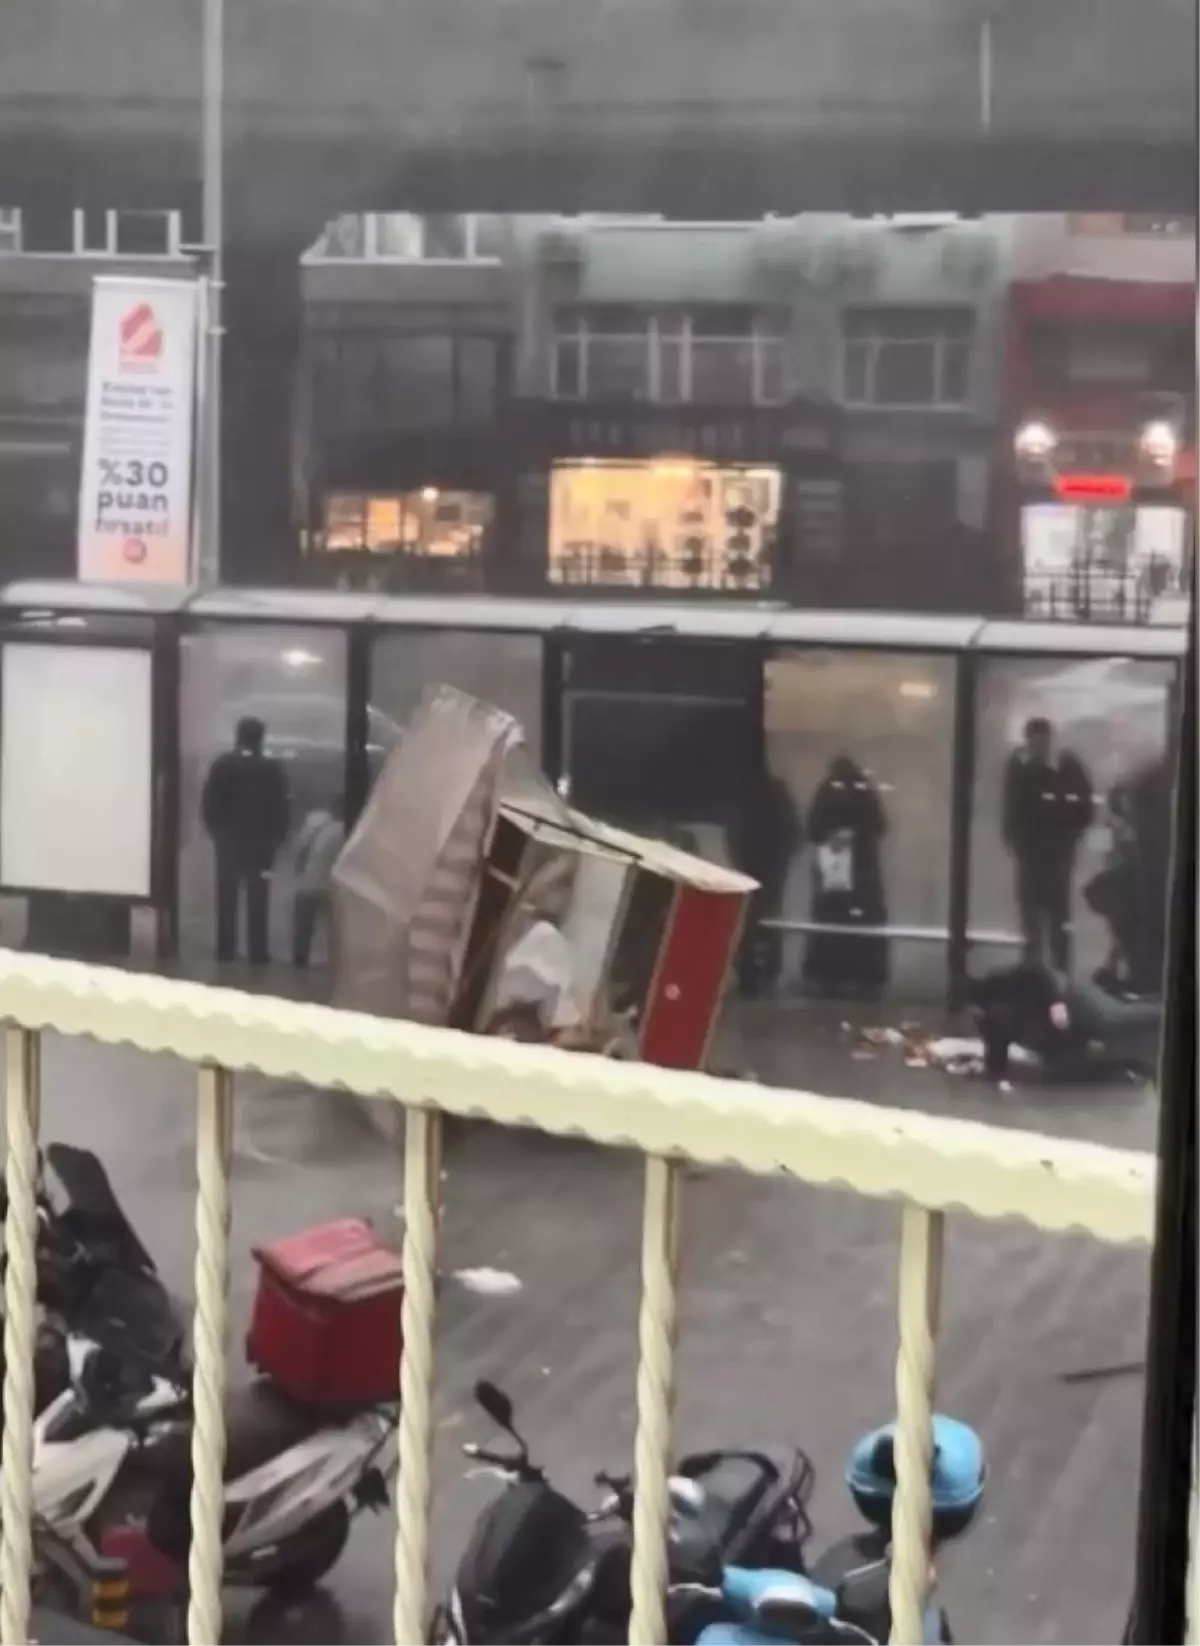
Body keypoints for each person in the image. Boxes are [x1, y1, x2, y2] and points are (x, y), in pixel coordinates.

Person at [1001, 717, 1094, 973]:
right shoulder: (1021, 766)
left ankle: (1055, 969)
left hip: (1052, 854)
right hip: (1034, 853)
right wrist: (1014, 840)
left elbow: (1083, 806)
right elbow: (1010, 806)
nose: (1038, 745)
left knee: (1055, 917)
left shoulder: (1064, 765)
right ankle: (1036, 969)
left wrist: (1068, 838)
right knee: (1033, 917)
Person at [201, 716, 290, 966]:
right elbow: (281, 807)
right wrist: (277, 838)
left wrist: (218, 834)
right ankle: (257, 952)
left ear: (237, 736)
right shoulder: (271, 769)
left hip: (228, 844)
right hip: (261, 846)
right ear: (261, 738)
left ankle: (225, 950)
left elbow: (209, 804)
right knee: (258, 898)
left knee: (227, 897)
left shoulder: (222, 765)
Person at [802, 755, 890, 999]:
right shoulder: (865, 792)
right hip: (862, 869)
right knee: (863, 921)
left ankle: (830, 975)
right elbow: (880, 825)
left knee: (832, 919)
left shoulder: (827, 791)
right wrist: (858, 835)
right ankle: (865, 976)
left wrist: (832, 836)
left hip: (835, 869)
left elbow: (813, 828)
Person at [291, 799, 346, 968]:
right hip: (334, 888)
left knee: (303, 929)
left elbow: (299, 851)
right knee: (335, 931)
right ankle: (336, 964)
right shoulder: (350, 830)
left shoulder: (314, 825)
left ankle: (300, 964)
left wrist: (299, 873)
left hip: (309, 884)